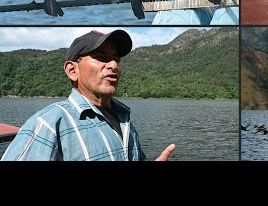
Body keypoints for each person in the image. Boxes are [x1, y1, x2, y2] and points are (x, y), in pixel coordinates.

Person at [1, 29, 176, 161]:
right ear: (72, 70)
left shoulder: (124, 119)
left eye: (117, 59)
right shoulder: (47, 125)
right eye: (101, 57)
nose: (114, 65)